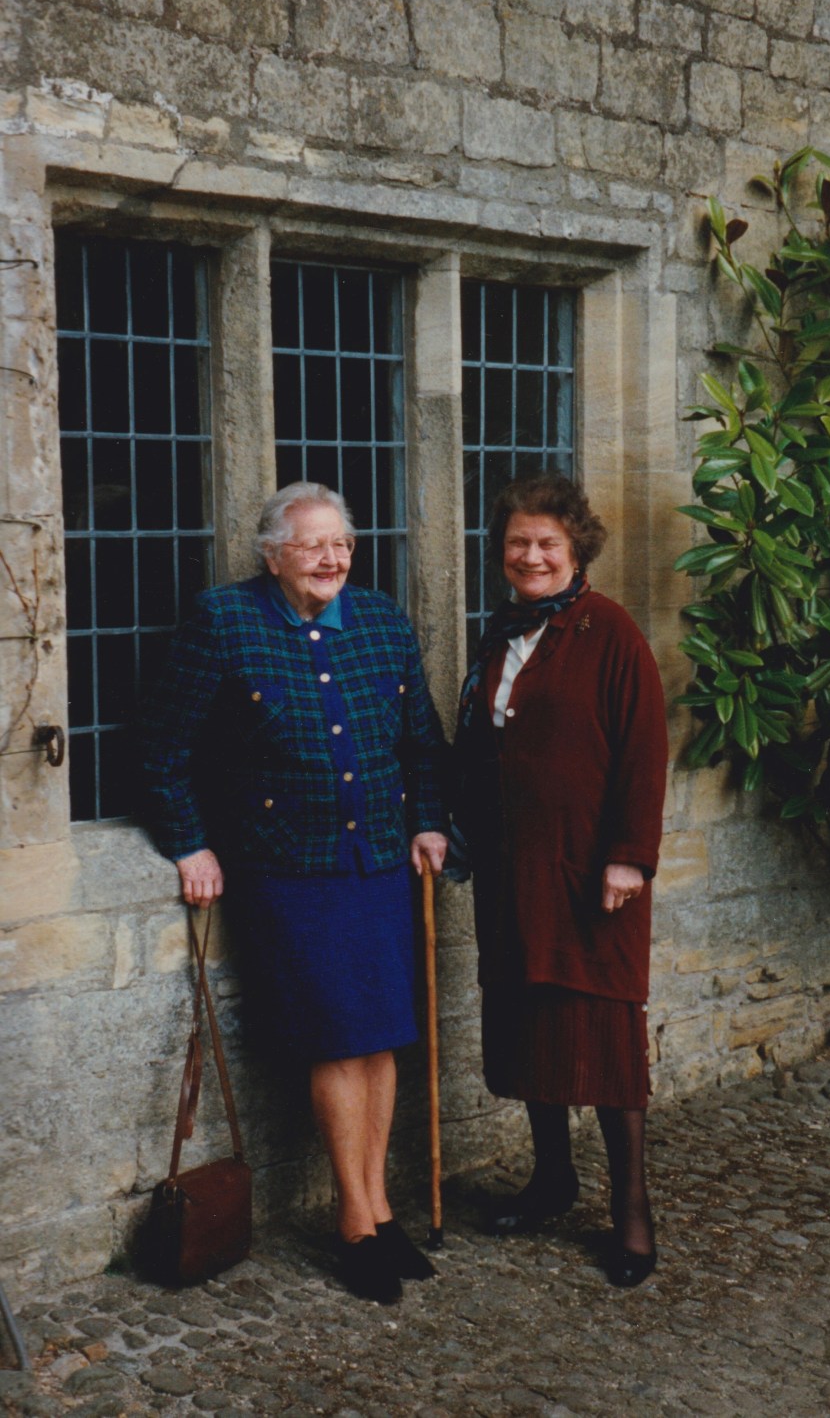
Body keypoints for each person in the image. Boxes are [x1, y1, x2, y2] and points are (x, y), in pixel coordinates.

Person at [141, 481, 449, 1305]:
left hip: (377, 861)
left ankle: (382, 1211)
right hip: (289, 869)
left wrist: (430, 822)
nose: (331, 558)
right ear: (272, 552)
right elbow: (164, 747)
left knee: (380, 1039)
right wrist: (189, 841)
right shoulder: (225, 619)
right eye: (313, 545)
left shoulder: (381, 620)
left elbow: (423, 741)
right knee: (338, 1040)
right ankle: (355, 1223)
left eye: (342, 544)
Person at [454, 472, 668, 1288]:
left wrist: (628, 857)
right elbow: (483, 747)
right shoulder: (502, 635)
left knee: (605, 1035)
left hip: (589, 875)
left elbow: (644, 752)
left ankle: (633, 1213)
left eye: (547, 543)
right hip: (513, 872)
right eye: (517, 542)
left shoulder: (609, 632)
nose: (531, 555)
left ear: (576, 549)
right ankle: (552, 1180)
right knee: (528, 1016)